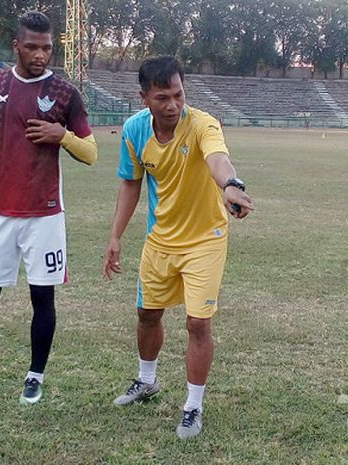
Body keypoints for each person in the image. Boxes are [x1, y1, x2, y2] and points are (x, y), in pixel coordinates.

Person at [0, 11, 98, 406]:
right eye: (32, 47)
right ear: (17, 45)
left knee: (42, 299)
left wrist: (62, 135)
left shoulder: (65, 94)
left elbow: (91, 153)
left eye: (47, 47)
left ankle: (34, 376)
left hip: (45, 215)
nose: (40, 54)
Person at [103, 56, 253, 439]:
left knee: (197, 322)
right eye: (162, 97)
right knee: (147, 315)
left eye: (178, 94)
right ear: (144, 98)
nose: (172, 105)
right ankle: (146, 380)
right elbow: (130, 183)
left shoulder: (203, 123)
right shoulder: (135, 130)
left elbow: (218, 158)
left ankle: (193, 406)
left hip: (205, 239)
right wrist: (116, 235)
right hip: (160, 240)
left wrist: (231, 184)